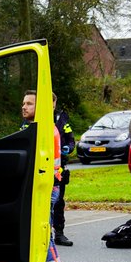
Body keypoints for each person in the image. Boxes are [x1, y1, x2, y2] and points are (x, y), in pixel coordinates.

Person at [19, 90, 62, 262]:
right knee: (48, 236)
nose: (24, 107)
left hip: (46, 190)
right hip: (51, 188)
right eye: (23, 103)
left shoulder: (43, 131)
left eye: (29, 104)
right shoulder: (43, 128)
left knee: (44, 237)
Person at [52, 93, 75, 246]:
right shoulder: (34, 118)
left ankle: (59, 233)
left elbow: (70, 140)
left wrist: (68, 148)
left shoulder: (61, 118)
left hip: (59, 169)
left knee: (59, 201)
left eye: (52, 101)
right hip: (40, 168)